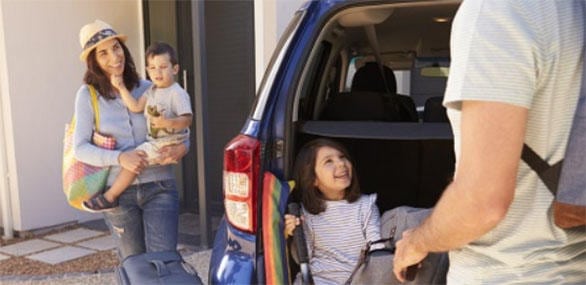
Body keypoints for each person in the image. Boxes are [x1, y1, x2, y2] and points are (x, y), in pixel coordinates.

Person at [393, 1, 586, 284]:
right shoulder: (574, 10)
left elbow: (482, 202)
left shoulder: (498, 9)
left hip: (506, 273)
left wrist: (416, 243)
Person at [73, 20, 187, 259]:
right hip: (118, 194)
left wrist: (182, 149)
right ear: (93, 61)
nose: (115, 56)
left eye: (116, 48)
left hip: (160, 187)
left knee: (164, 262)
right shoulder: (87, 95)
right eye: (103, 53)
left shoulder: (150, 87)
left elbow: (179, 128)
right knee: (133, 264)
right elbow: (80, 148)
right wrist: (121, 158)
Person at [82, 41, 192, 212]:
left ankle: (110, 196)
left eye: (116, 48)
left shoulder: (174, 92)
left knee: (138, 157)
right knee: (135, 158)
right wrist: (121, 87)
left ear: (175, 69)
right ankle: (111, 195)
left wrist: (182, 146)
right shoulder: (151, 91)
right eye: (152, 68)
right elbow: (135, 106)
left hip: (160, 177)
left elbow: (187, 122)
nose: (158, 72)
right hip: (126, 187)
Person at [284, 138, 381, 284]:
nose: (341, 163)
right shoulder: (306, 213)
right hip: (319, 279)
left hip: (360, 279)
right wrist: (293, 233)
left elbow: (377, 247)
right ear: (313, 179)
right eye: (329, 161)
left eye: (342, 157)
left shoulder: (366, 206)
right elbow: (303, 258)